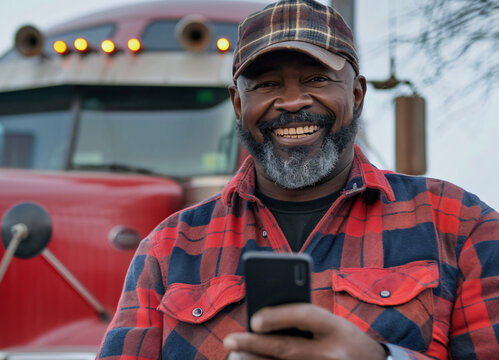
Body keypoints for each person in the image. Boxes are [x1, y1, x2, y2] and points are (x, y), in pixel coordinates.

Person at [97, 0, 499, 359]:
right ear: (239, 105)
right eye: (267, 84)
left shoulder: (460, 224)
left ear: (357, 94)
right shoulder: (167, 250)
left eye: (317, 79)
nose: (291, 102)